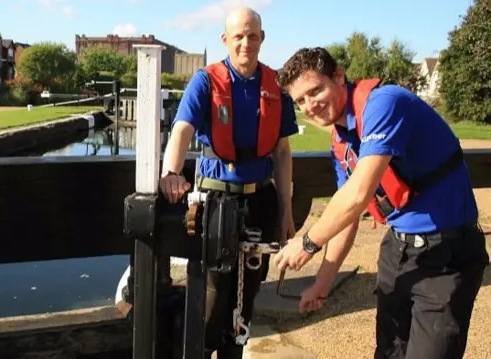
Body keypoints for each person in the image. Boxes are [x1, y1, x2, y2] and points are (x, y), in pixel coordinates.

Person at [273, 47, 489, 359]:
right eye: (300, 100)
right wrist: (322, 283)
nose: (311, 105)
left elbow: (360, 191)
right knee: (388, 353)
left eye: (315, 90)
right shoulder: (342, 139)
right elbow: (346, 211)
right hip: (397, 252)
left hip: (446, 253)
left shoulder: (385, 102)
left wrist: (307, 243)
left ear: (339, 75)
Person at [159, 7, 299, 359]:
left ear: (262, 38)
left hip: (260, 202)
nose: (246, 43)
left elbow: (282, 152)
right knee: (213, 293)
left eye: (253, 35)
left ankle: (234, 351)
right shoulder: (206, 81)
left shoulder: (275, 87)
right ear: (226, 39)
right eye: (238, 36)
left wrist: (285, 209)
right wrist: (171, 174)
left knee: (249, 291)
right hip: (216, 201)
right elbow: (181, 131)